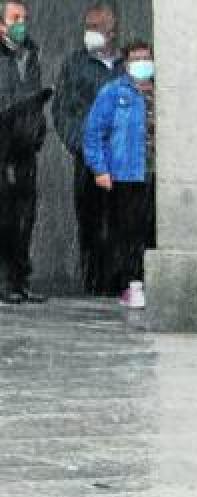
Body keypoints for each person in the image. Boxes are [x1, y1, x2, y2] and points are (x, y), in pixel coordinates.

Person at [51, 3, 121, 296]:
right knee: (90, 221)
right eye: (87, 27)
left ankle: (120, 281)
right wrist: (78, 143)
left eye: (96, 27)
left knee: (122, 221)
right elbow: (62, 108)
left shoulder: (125, 65)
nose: (90, 34)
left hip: (122, 158)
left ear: (112, 31)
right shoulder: (75, 64)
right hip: (89, 159)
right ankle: (94, 283)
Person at [82, 40, 156, 309]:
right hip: (126, 174)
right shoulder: (113, 92)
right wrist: (100, 168)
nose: (142, 63)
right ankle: (130, 282)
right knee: (128, 232)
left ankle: (151, 281)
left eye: (146, 57)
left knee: (152, 231)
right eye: (136, 58)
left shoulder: (161, 92)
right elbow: (93, 133)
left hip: (156, 174)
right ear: (126, 64)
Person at [0, 0, 47, 305]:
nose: (22, 24)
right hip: (2, 144)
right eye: (15, 18)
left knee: (25, 215)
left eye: (25, 18)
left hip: (25, 145)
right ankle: (4, 280)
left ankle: (19, 279)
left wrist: (37, 128)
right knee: (4, 214)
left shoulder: (30, 53)